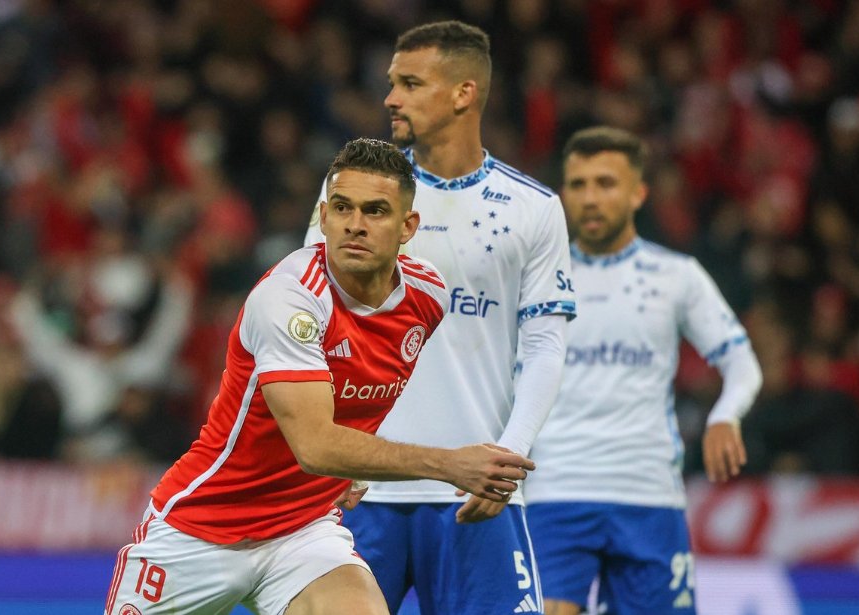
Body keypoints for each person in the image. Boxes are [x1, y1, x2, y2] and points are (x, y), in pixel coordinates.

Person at [105, 138, 537, 615]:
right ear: (324, 217)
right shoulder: (290, 299)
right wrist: (451, 463)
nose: (356, 224)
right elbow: (315, 446)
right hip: (203, 527)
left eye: (376, 211)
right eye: (343, 208)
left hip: (302, 531)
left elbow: (361, 393)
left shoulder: (427, 297)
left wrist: (352, 463)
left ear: (407, 226)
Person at [304, 21, 574, 615]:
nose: (390, 98)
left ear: (463, 93)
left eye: (409, 83)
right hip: (362, 489)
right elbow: (310, 326)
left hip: (473, 489)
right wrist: (325, 449)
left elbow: (546, 346)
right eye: (391, 83)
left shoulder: (533, 209)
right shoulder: (355, 197)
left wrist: (509, 458)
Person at [523, 126, 764, 615]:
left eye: (606, 183)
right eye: (579, 184)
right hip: (554, 490)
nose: (590, 198)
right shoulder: (533, 278)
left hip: (648, 494)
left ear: (638, 193)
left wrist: (725, 415)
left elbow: (741, 362)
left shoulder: (677, 275)